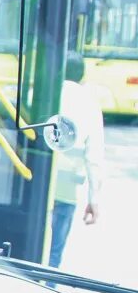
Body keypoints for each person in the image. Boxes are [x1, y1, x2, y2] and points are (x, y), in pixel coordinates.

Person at [48, 51, 104, 268]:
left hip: (39, 186)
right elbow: (94, 157)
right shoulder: (90, 103)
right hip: (67, 191)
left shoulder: (45, 93)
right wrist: (94, 200)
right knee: (53, 255)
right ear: (82, 76)